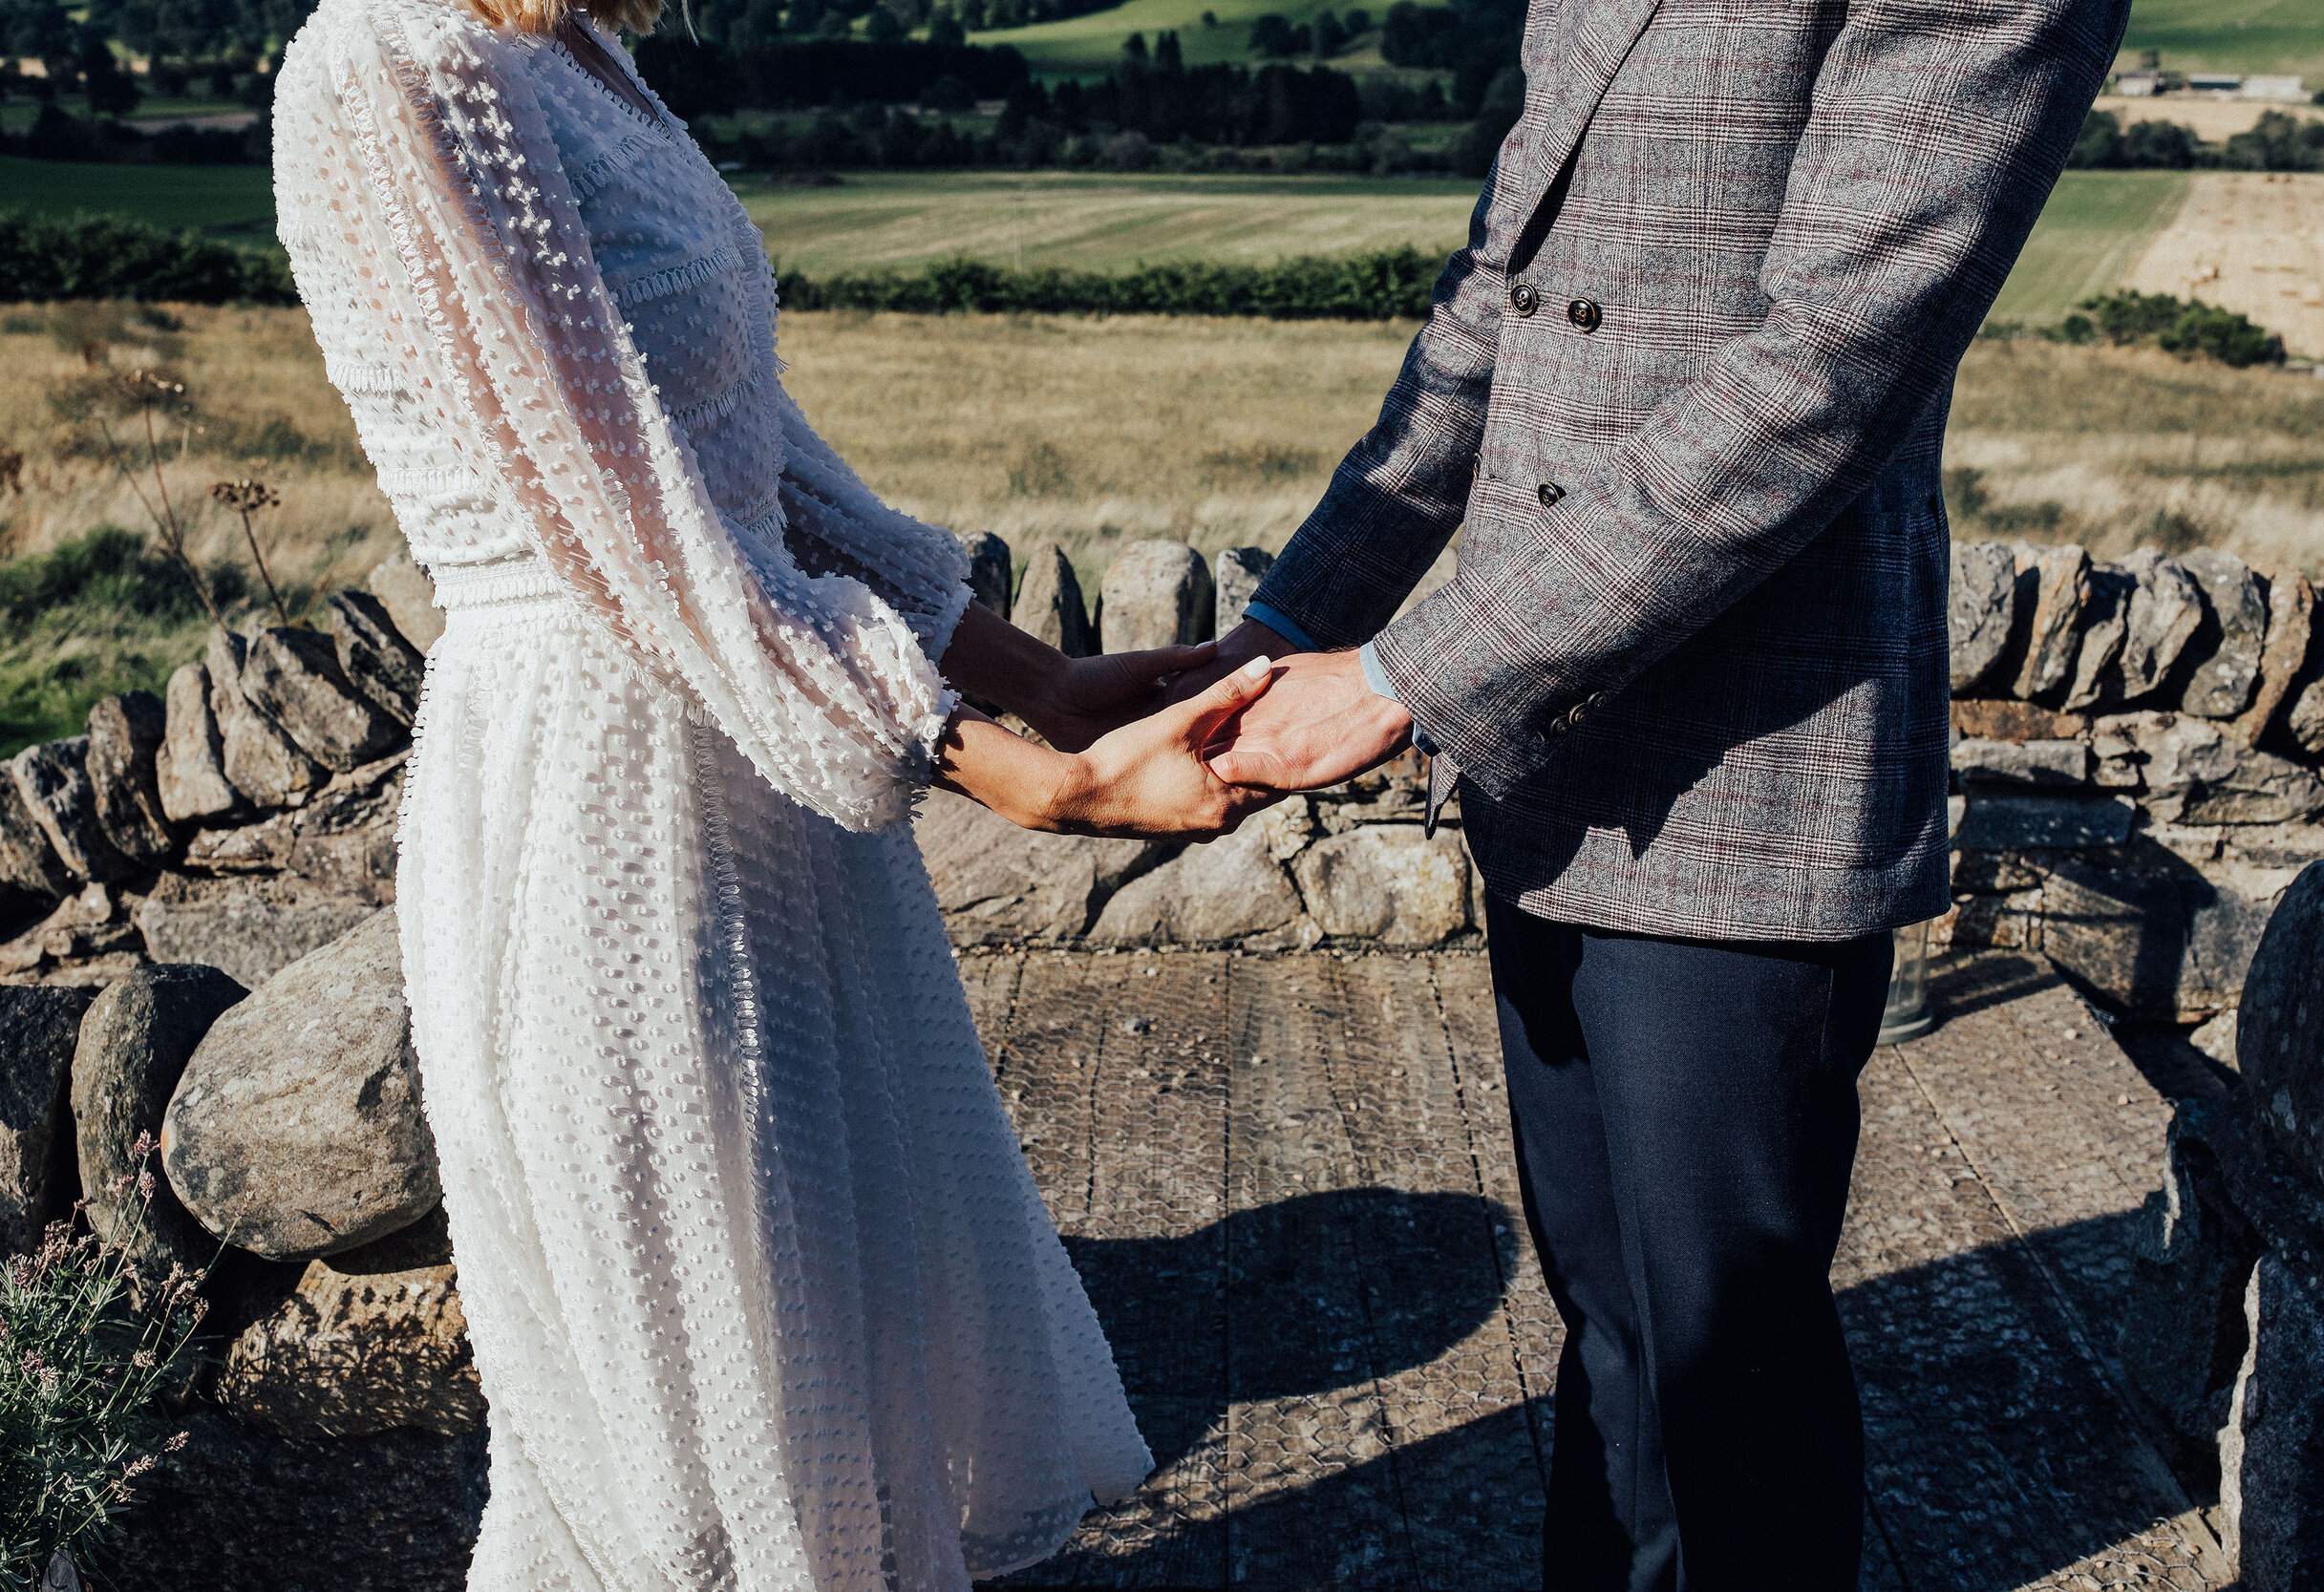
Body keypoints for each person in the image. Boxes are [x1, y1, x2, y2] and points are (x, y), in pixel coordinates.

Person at [269, 2, 1279, 1585]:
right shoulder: (388, 70)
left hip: (767, 778)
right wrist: (1016, 773)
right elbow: (630, 525)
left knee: (837, 1350)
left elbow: (755, 468)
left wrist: (1037, 677)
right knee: (696, 1372)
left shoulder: (579, 59)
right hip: (599, 789)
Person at [1188, 1, 2127, 1585]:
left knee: (1727, 1382)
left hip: (1754, 770)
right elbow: (1503, 304)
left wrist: (1410, 677)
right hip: (1546, 767)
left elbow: (1823, 370)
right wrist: (1288, 624)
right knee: (1614, 1342)